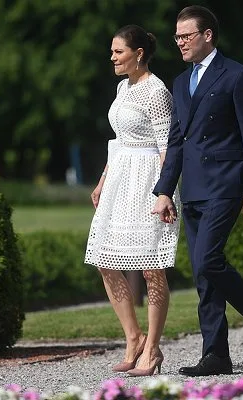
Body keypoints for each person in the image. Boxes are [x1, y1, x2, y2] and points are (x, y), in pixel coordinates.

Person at [152, 5, 243, 377]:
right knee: (202, 275)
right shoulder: (180, 82)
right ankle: (216, 354)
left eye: (186, 36)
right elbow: (176, 142)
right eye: (176, 37)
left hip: (227, 184)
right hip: (191, 189)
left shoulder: (237, 76)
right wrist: (164, 190)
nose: (180, 43)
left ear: (208, 35)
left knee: (208, 260)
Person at [85, 24, 180, 377]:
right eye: (111, 51)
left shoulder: (156, 91)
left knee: (150, 266)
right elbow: (120, 139)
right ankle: (133, 337)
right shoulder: (122, 87)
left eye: (118, 51)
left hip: (148, 183)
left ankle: (152, 349)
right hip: (119, 178)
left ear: (138, 53)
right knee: (104, 257)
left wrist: (164, 192)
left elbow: (168, 147)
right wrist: (103, 179)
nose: (112, 57)